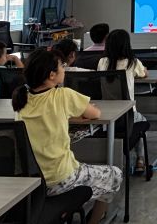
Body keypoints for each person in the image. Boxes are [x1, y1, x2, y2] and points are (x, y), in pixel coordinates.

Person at [12, 49, 121, 224]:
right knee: (114, 174)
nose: (64, 68)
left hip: (31, 182)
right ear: (52, 75)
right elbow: (95, 114)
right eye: (62, 66)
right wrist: (77, 114)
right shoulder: (63, 95)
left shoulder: (21, 98)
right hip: (59, 179)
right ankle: (94, 220)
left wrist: (68, 116)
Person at [97, 29, 148, 171]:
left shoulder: (102, 62)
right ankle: (140, 159)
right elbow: (144, 74)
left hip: (106, 114)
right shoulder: (132, 62)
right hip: (127, 115)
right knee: (142, 121)